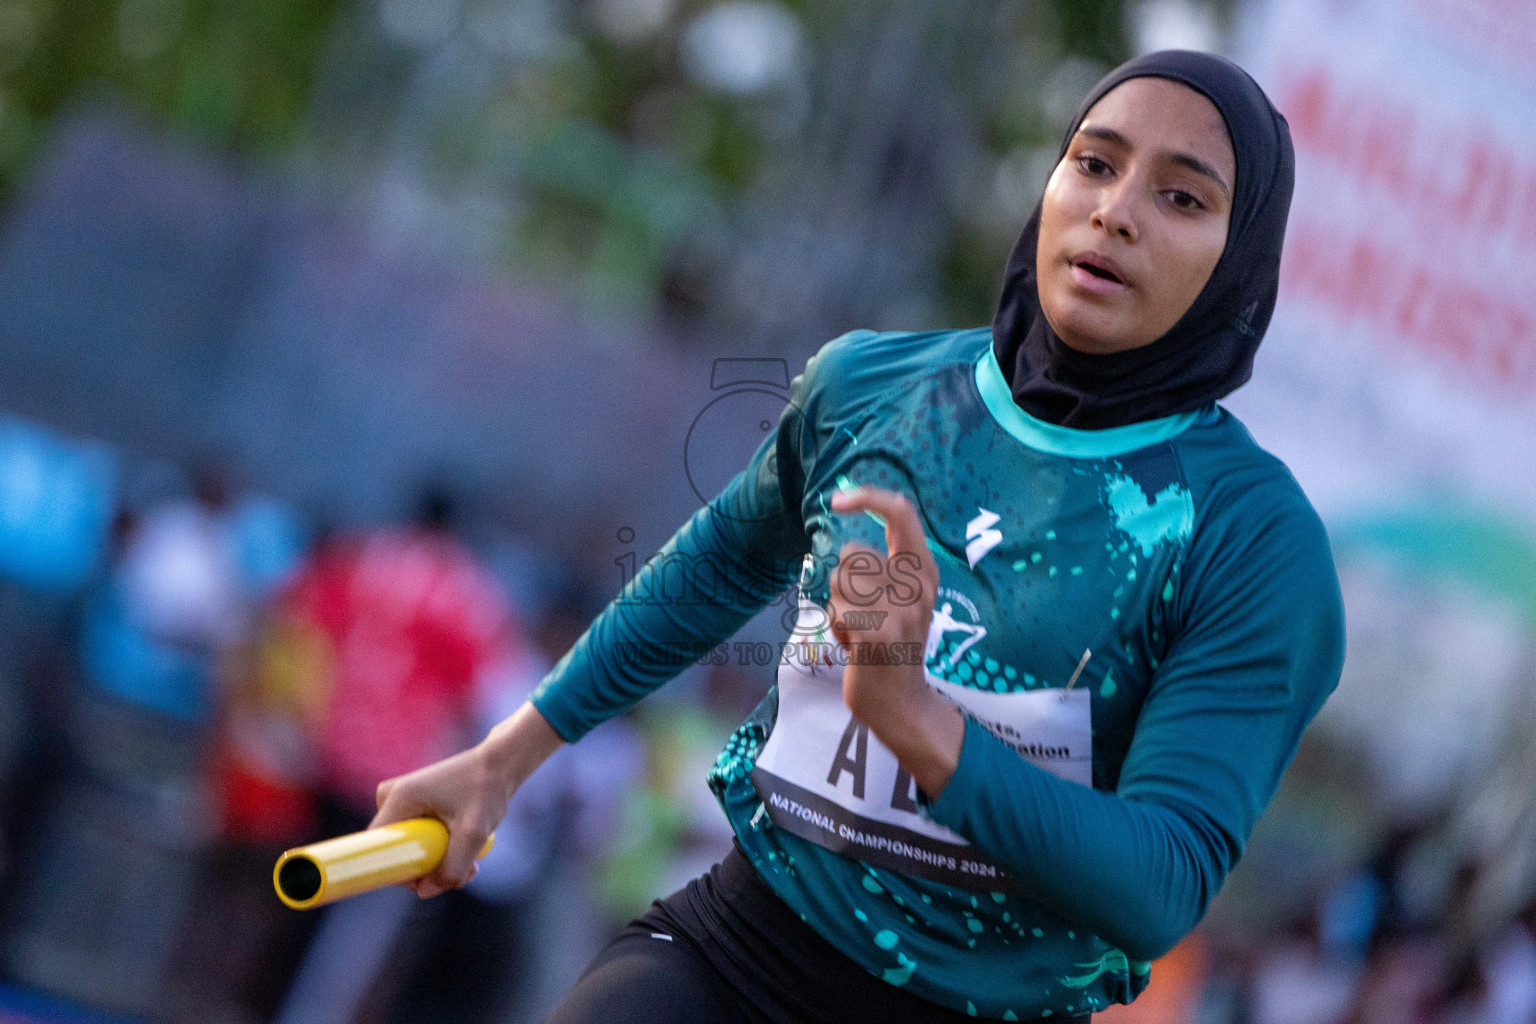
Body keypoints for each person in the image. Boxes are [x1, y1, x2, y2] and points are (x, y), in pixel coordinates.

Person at [370, 50, 1346, 1023]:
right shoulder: (875, 388)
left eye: (1183, 199)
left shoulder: (1251, 540)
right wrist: (503, 759)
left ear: (1240, 261)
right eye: (1094, 163)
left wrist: (918, 721)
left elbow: (1158, 887)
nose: (1117, 210)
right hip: (737, 949)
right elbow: (713, 570)